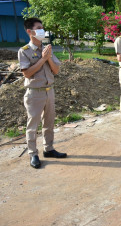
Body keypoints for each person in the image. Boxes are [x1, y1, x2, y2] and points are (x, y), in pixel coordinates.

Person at [18, 18, 67, 169]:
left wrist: (48, 58)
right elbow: (27, 73)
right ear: (29, 31)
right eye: (38, 28)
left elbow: (56, 70)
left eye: (42, 27)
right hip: (35, 93)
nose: (42, 30)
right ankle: (33, 154)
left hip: (49, 91)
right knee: (33, 125)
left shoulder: (47, 49)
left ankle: (49, 149)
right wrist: (43, 59)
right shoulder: (24, 51)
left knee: (49, 123)